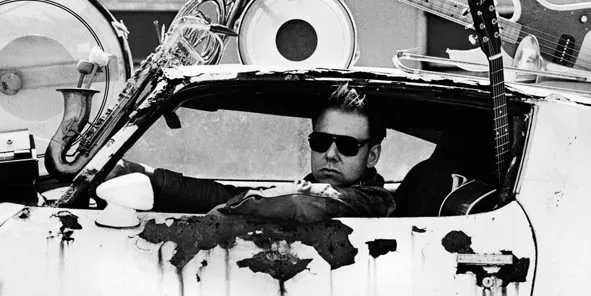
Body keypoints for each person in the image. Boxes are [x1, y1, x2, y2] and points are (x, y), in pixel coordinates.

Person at [102, 82, 395, 221]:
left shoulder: (375, 202)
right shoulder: (310, 191)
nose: (330, 154)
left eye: (346, 145)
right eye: (321, 141)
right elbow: (228, 195)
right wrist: (146, 176)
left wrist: (221, 216)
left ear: (372, 156)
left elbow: (300, 202)